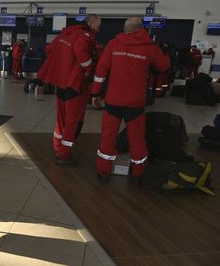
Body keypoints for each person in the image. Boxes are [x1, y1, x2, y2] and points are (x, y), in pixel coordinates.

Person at [91, 17, 170, 182]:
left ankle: (103, 171)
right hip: (135, 102)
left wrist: (95, 93)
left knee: (108, 137)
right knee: (137, 139)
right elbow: (164, 66)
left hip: (113, 100)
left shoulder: (113, 44)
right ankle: (139, 172)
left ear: (125, 29)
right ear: (142, 30)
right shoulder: (150, 47)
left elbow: (101, 70)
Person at [37, 14, 102, 164]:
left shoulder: (66, 33)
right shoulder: (85, 36)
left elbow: (49, 49)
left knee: (61, 119)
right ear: (92, 24)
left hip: (60, 82)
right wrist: (90, 67)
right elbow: (82, 55)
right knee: (73, 120)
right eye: (98, 26)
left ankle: (57, 146)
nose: (98, 30)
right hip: (75, 84)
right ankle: (64, 154)